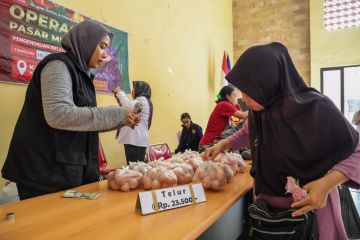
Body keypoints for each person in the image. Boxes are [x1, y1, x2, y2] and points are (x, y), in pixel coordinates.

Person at [203, 42, 360, 240]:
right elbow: (246, 133)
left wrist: (327, 184)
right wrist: (224, 144)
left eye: (250, 90)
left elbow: (357, 152)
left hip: (311, 212)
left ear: (270, 81)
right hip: (268, 217)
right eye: (242, 91)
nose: (245, 98)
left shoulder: (316, 108)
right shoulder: (260, 111)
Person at [1, 20, 137, 200]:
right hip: (44, 174)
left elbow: (83, 121)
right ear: (85, 41)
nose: (105, 56)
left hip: (67, 171)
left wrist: (121, 119)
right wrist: (117, 114)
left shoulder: (83, 75)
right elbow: (59, 114)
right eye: (102, 47)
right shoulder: (58, 65)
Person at [113, 81, 153, 164]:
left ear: (140, 90)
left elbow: (128, 106)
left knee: (135, 170)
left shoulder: (142, 100)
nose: (132, 91)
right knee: (135, 169)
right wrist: (121, 103)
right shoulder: (142, 101)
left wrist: (120, 92)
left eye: (134, 89)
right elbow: (132, 112)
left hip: (135, 141)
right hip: (135, 141)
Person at [199, 85, 248, 150]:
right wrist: (254, 110)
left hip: (214, 142)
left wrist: (237, 106)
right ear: (228, 96)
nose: (236, 99)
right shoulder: (223, 104)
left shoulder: (226, 109)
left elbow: (238, 121)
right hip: (208, 144)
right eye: (234, 96)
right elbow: (243, 116)